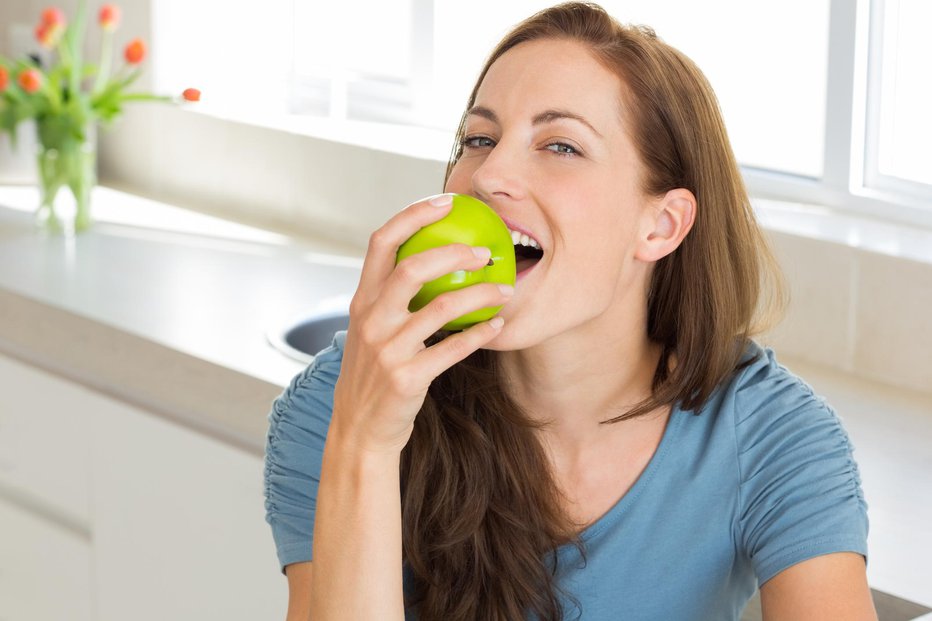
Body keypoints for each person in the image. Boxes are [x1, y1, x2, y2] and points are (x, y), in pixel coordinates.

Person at [263, 3, 875, 620]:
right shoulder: (345, 402)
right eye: (479, 139)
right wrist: (365, 443)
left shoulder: (768, 436)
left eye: (560, 145)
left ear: (660, 226)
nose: (490, 173)